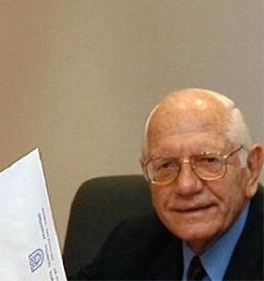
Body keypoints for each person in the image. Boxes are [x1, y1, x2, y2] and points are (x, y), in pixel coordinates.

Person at [74, 88, 263, 280]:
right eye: (166, 165)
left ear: (251, 168)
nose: (186, 186)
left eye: (208, 161)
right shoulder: (131, 245)